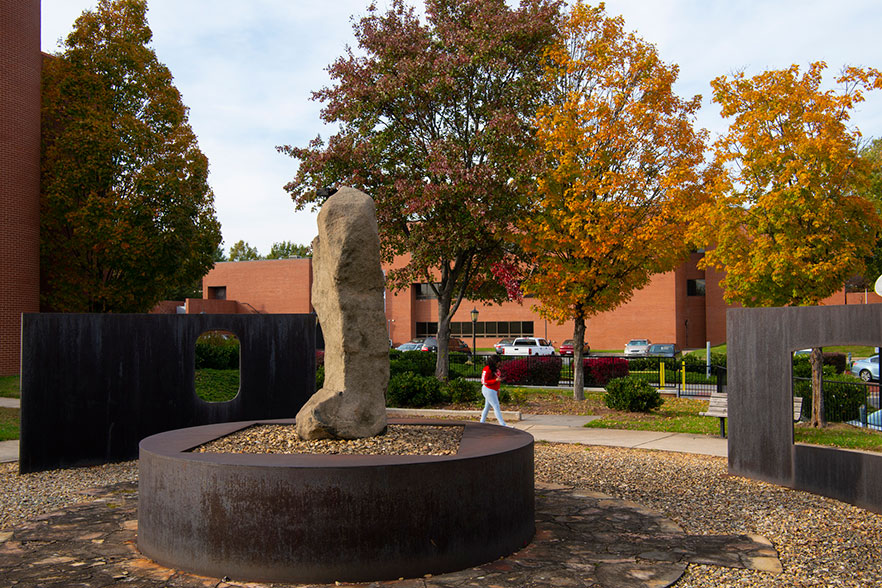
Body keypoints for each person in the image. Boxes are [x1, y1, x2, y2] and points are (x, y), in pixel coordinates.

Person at [480, 355, 508, 427]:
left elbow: (497, 381)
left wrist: (498, 390)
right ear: (494, 362)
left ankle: (482, 422)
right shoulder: (487, 369)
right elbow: (484, 381)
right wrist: (494, 380)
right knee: (496, 406)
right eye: (498, 362)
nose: (499, 363)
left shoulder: (496, 370)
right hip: (488, 389)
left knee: (487, 407)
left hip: (493, 390)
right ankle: (503, 424)